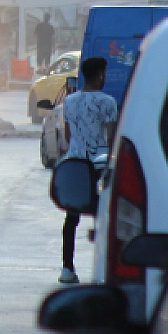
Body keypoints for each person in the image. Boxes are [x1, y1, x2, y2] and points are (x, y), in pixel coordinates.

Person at [58, 56, 118, 284]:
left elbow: (67, 136)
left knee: (71, 217)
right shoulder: (107, 102)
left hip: (75, 164)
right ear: (101, 74)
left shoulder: (69, 102)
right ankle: (104, 269)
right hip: (99, 163)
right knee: (104, 217)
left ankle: (67, 268)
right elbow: (111, 137)